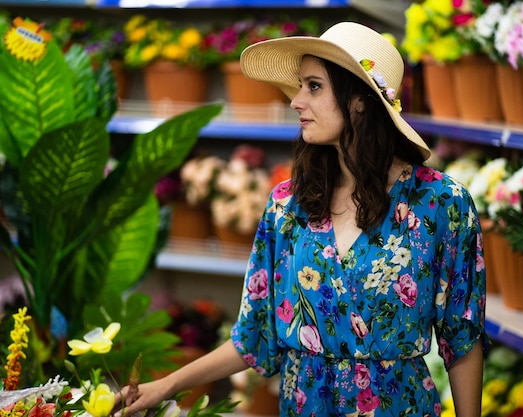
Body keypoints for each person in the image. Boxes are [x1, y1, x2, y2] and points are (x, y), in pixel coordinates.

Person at [115, 21, 488, 417]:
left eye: (313, 86)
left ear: (360, 99)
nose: (295, 101)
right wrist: (165, 386)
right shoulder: (287, 205)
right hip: (304, 405)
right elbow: (255, 336)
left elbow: (461, 342)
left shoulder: (442, 204)